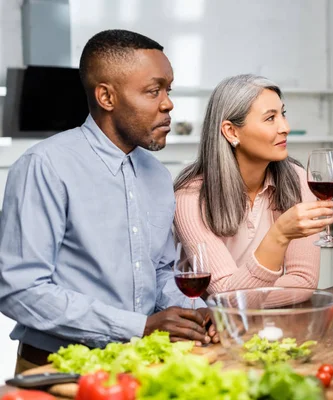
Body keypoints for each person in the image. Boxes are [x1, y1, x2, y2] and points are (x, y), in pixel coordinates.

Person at [0, 29, 216, 374]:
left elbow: (159, 270)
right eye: (153, 90)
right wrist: (137, 327)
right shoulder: (46, 166)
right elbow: (20, 290)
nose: (168, 103)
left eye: (168, 90)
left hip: (143, 363)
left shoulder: (158, 175)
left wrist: (190, 311)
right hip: (58, 369)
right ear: (106, 97)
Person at [173, 74, 333, 295]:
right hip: (211, 328)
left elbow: (303, 283)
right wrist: (279, 235)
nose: (285, 127)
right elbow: (225, 295)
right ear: (231, 131)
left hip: (273, 326)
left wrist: (240, 295)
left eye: (283, 114)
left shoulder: (298, 180)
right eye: (270, 118)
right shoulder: (190, 196)